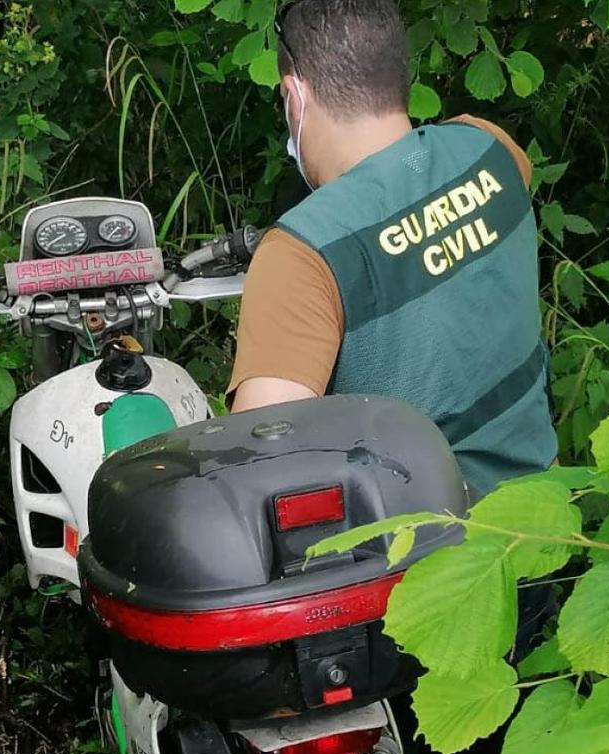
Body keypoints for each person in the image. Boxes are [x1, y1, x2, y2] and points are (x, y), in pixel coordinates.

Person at [228, 0, 557, 500]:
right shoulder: (491, 149)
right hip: (548, 512)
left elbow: (262, 472)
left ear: (295, 96)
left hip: (433, 541)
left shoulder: (303, 252)